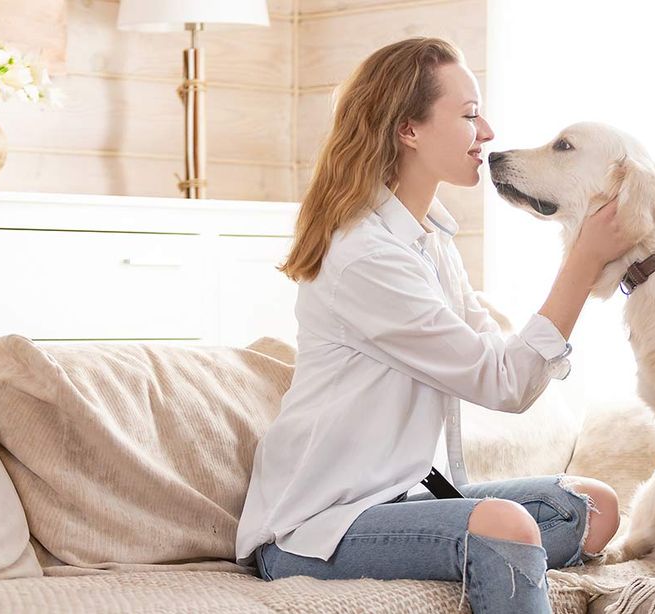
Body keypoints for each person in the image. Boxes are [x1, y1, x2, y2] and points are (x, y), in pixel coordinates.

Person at [235, 37, 634, 613]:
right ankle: (491, 553)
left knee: (590, 508)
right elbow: (505, 385)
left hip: (399, 499)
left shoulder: (430, 238)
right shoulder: (367, 256)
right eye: (470, 116)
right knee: (506, 527)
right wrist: (582, 261)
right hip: (314, 527)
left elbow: (496, 359)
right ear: (408, 130)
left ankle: (482, 554)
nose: (489, 132)